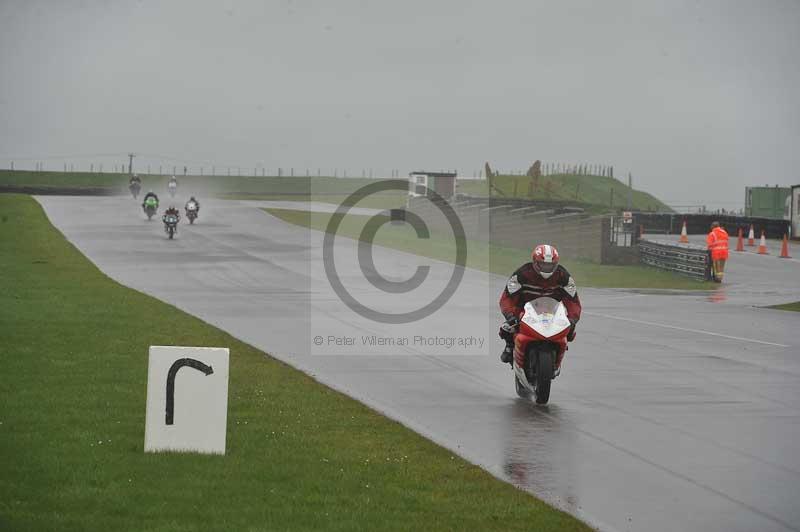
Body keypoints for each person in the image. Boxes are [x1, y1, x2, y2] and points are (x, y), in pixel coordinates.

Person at [498, 244, 582, 374]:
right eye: (543, 265)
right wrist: (510, 315)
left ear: (556, 264)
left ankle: (557, 358)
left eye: (550, 265)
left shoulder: (563, 276)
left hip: (552, 310)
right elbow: (507, 297)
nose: (546, 268)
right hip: (524, 309)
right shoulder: (522, 273)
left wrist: (572, 319)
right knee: (507, 328)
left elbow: (573, 301)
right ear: (535, 262)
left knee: (570, 331)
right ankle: (510, 346)